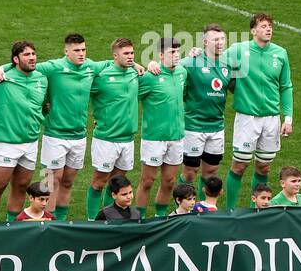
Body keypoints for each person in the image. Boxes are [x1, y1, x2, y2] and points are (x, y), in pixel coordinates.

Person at [26, 33, 107, 221]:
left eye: (84, 49)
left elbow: (113, 63)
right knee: (48, 183)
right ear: (66, 51)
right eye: (77, 50)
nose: (81, 54)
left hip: (79, 136)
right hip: (54, 135)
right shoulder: (53, 67)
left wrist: (137, 65)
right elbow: (24, 67)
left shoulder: (90, 67)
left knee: (68, 182)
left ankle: (60, 222)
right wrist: (2, 70)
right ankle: (45, 220)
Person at [223, 12, 293, 209]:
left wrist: (288, 118)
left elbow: (286, 86)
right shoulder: (238, 50)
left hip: (271, 119)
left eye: (270, 26)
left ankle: (257, 209)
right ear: (253, 30)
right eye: (263, 26)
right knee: (239, 165)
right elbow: (216, 65)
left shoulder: (280, 53)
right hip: (247, 118)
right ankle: (230, 210)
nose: (268, 29)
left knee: (264, 166)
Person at [0, 41, 48, 221]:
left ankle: (12, 227)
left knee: (21, 186)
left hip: (30, 141)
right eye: (27, 55)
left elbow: (41, 105)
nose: (32, 57)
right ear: (15, 59)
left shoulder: (42, 79)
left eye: (33, 54)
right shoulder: (2, 79)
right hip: (6, 142)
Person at [85, 39, 142, 220]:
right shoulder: (101, 74)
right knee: (99, 183)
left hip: (127, 138)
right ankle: (93, 222)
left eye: (132, 53)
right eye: (126, 54)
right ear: (115, 56)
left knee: (116, 183)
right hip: (106, 138)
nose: (130, 57)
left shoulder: (135, 72)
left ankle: (110, 216)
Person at [136, 38, 187, 217]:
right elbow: (130, 96)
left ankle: (160, 218)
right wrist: (147, 65)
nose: (176, 56)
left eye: (178, 52)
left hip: (177, 136)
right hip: (154, 137)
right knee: (147, 181)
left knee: (169, 181)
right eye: (172, 52)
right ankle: (139, 220)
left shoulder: (182, 72)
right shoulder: (150, 76)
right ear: (161, 55)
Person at [180, 23, 231, 188]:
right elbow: (169, 67)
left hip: (216, 126)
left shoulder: (228, 65)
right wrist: (152, 65)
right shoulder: (191, 62)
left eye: (222, 38)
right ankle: (182, 209)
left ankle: (203, 209)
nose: (220, 42)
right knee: (189, 172)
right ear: (205, 42)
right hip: (194, 127)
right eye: (215, 39)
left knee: (211, 172)